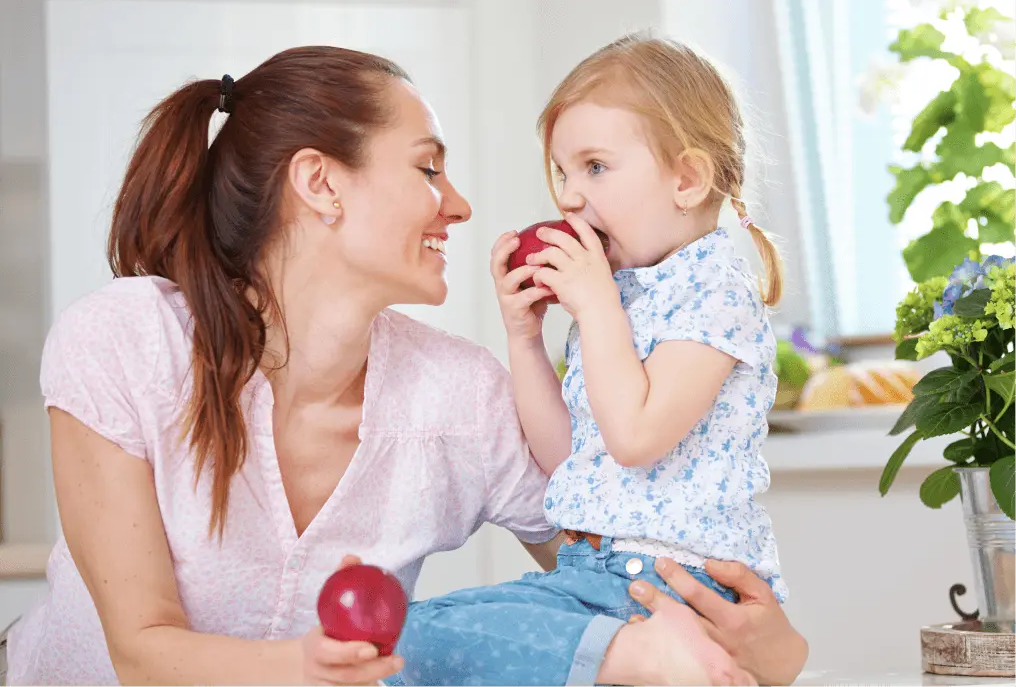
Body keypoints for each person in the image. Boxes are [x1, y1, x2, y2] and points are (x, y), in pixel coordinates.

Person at [3, 45, 807, 687]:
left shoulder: (461, 392)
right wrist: (306, 665)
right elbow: (142, 657)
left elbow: (607, 563)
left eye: (594, 168)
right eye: (429, 168)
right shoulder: (125, 341)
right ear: (321, 183)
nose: (458, 204)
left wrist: (775, 654)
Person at [386, 32, 790, 687]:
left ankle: (666, 654)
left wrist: (596, 306)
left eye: (595, 167)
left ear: (686, 178)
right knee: (399, 648)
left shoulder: (717, 288)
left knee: (410, 641)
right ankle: (651, 661)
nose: (570, 197)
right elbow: (567, 462)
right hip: (591, 576)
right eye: (564, 173)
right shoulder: (621, 293)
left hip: (669, 587)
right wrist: (523, 337)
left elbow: (635, 437)